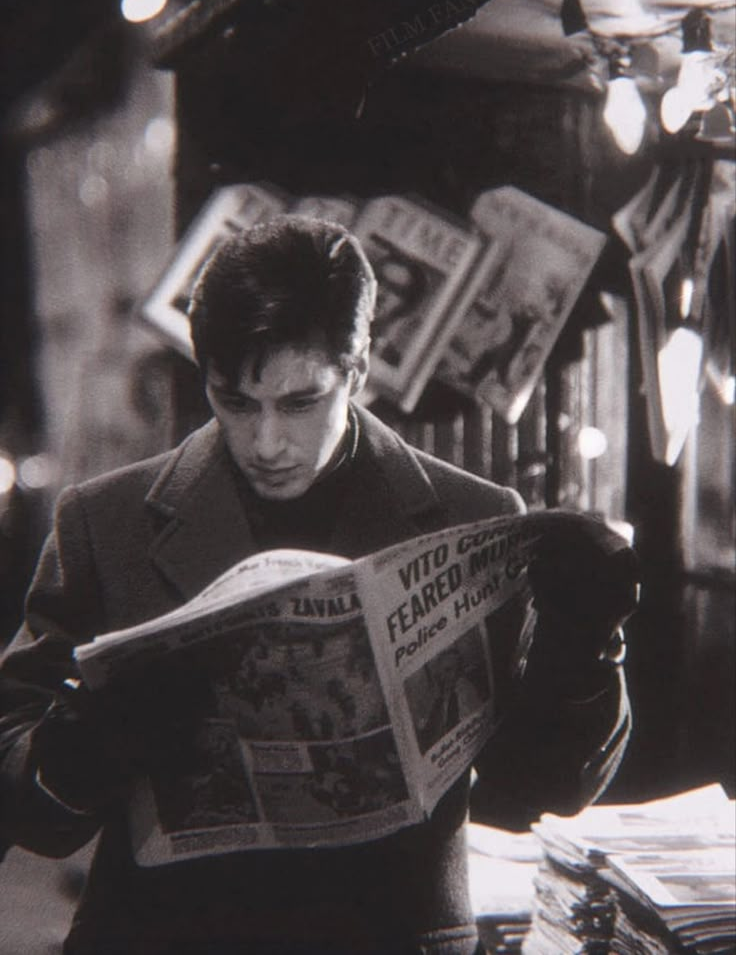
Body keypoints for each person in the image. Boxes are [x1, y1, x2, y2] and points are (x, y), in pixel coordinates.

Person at [0, 216, 636, 955]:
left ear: (358, 370)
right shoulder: (103, 523)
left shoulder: (475, 519)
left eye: (302, 402)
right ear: (204, 376)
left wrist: (585, 645)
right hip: (165, 936)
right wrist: (82, 748)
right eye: (235, 401)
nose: (267, 442)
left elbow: (543, 789)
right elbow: (15, 786)